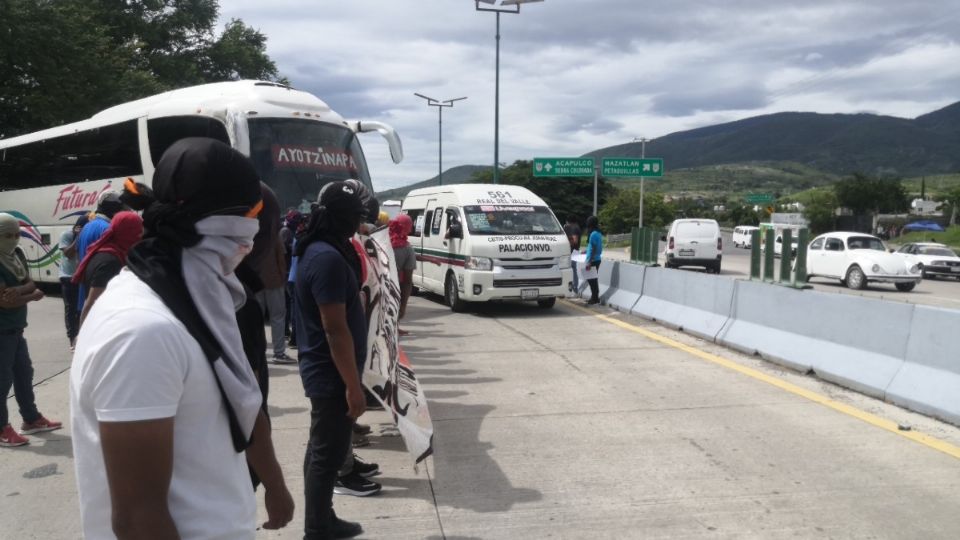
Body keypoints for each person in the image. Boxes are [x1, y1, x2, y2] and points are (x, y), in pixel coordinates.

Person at [70, 138, 293, 538]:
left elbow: (239, 397)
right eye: (255, 214)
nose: (255, 238)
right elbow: (139, 519)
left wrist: (274, 484)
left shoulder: (197, 299)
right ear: (229, 222)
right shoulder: (142, 331)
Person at [296, 181, 375, 539]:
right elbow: (334, 329)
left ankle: (322, 517)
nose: (356, 224)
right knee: (326, 456)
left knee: (320, 451)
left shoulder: (325, 250)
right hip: (331, 375)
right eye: (352, 217)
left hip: (330, 371)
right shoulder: (326, 258)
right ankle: (317, 527)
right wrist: (353, 387)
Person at [0, 213, 62, 448]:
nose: (14, 239)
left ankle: (31, 419)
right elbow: (5, 301)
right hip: (2, 331)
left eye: (17, 234)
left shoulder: (12, 257)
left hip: (15, 330)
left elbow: (29, 283)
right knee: (2, 381)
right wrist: (32, 296)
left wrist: (22, 291)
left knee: (24, 374)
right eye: (8, 235)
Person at [73, 211, 143, 328]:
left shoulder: (107, 251)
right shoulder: (109, 262)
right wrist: (81, 337)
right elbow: (91, 303)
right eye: (138, 231)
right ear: (127, 233)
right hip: (103, 329)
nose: (141, 236)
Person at [252, 192, 292, 364]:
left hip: (254, 281)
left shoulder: (249, 234)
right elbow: (281, 259)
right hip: (274, 281)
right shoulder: (274, 234)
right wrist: (282, 277)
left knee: (255, 318)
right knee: (277, 317)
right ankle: (279, 353)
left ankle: (256, 351)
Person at [75, 191, 126, 315]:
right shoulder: (108, 229)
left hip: (86, 291)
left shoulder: (87, 226)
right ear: (114, 209)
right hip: (100, 294)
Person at [59, 215, 88, 350]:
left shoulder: (88, 236)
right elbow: (68, 254)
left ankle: (82, 336)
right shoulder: (66, 235)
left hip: (82, 277)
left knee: (81, 308)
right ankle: (72, 338)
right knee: (70, 309)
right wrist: (78, 237)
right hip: (68, 277)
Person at [390, 214, 416, 335]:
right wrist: (404, 305)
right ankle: (394, 327)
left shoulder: (380, 241)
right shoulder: (407, 248)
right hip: (397, 285)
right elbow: (407, 280)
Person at [584, 215, 603, 305]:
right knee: (592, 279)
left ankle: (594, 297)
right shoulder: (598, 233)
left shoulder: (593, 234)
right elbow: (592, 247)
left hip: (593, 260)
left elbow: (594, 248)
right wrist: (585, 251)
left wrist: (589, 261)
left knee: (592, 280)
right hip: (596, 259)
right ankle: (595, 297)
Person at [563, 216, 581, 295]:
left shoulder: (573, 228)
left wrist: (566, 242)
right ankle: (574, 287)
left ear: (568, 222)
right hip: (576, 250)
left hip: (572, 251)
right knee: (574, 269)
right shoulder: (577, 227)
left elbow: (575, 241)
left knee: (572, 269)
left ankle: (574, 288)